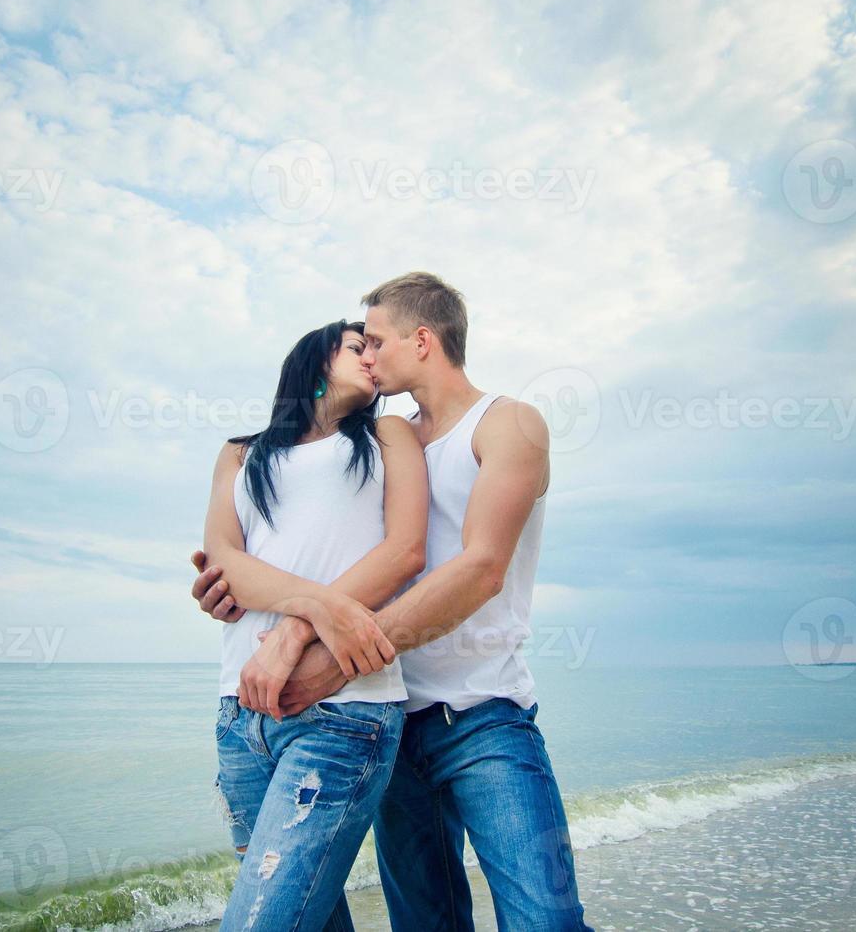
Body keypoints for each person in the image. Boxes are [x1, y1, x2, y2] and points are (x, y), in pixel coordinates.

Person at [193, 273, 592, 931]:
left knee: (544, 920)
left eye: (375, 340)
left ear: (423, 339)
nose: (369, 355)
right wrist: (235, 589)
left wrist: (324, 653)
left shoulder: (507, 423)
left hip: (481, 712)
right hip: (395, 718)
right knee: (425, 923)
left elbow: (481, 569)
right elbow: (304, 542)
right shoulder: (381, 438)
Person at [200, 319, 429, 931]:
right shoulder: (240, 453)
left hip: (346, 709)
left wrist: (295, 629)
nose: (373, 359)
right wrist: (322, 607)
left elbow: (406, 552)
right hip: (240, 713)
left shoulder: (388, 435)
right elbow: (225, 562)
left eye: (378, 349)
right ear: (314, 358)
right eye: (359, 347)